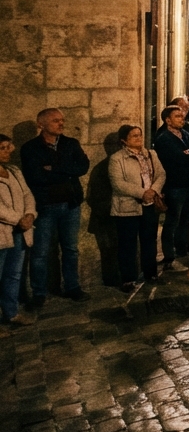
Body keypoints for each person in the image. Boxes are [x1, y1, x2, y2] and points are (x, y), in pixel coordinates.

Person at [20, 108, 91, 305]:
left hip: (70, 204)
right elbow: (36, 177)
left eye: (62, 120)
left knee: (70, 249)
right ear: (41, 124)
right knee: (40, 252)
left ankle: (72, 287)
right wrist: (66, 172)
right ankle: (39, 293)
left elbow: (83, 167)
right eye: (55, 121)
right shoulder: (30, 149)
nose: (61, 124)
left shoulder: (70, 144)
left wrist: (54, 169)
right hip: (45, 206)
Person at [107, 126, 167, 291]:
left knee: (149, 241)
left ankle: (151, 273)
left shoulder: (150, 154)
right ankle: (128, 278)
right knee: (128, 244)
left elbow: (161, 174)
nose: (138, 138)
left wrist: (153, 190)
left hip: (149, 205)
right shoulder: (117, 159)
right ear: (124, 140)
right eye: (134, 136)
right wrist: (142, 193)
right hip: (128, 207)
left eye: (140, 135)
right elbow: (118, 183)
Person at [153, 105, 189, 269]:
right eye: (177, 116)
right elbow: (179, 158)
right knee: (172, 221)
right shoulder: (164, 139)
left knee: (185, 220)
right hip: (174, 185)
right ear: (168, 120)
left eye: (182, 116)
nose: (181, 119)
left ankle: (183, 250)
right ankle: (169, 256)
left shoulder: (186, 134)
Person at [0, 134, 37, 325]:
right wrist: (18, 219)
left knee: (13, 274)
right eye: (3, 148)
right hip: (2, 233)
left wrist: (30, 214)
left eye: (9, 147)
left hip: (19, 232)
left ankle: (11, 313)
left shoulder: (13, 171)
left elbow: (27, 193)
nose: (8, 151)